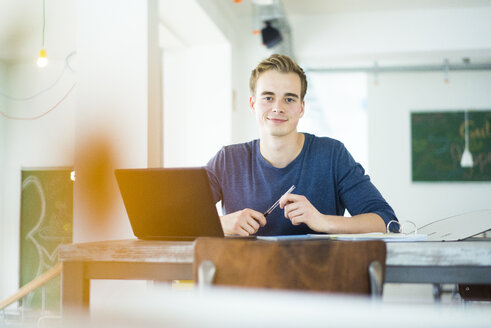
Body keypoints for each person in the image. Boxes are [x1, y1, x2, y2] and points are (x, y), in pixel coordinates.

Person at [206, 54, 397, 236]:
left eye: (289, 99)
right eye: (268, 97)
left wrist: (323, 221)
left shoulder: (332, 156)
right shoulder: (227, 160)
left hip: (319, 270)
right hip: (245, 270)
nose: (278, 107)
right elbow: (177, 217)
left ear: (301, 108)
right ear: (252, 104)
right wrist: (221, 223)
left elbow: (386, 221)